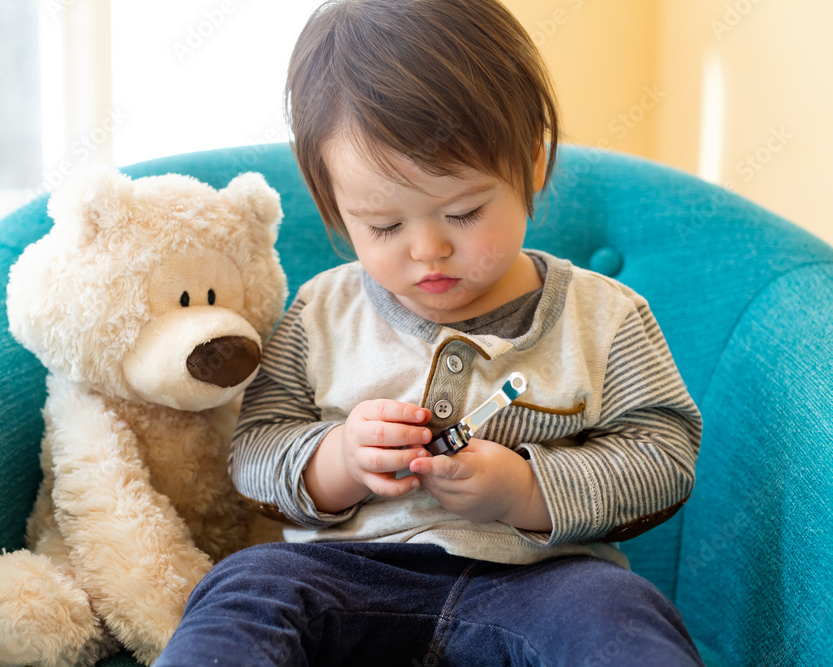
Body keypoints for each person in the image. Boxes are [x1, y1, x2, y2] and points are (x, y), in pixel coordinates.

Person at [154, 0, 704, 665]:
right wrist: (340, 461)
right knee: (243, 586)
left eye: (465, 211)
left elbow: (664, 457)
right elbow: (255, 454)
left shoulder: (605, 318)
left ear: (532, 164)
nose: (428, 249)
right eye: (384, 226)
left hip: (541, 581)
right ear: (334, 203)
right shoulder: (320, 312)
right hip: (344, 576)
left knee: (622, 610)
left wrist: (526, 489)